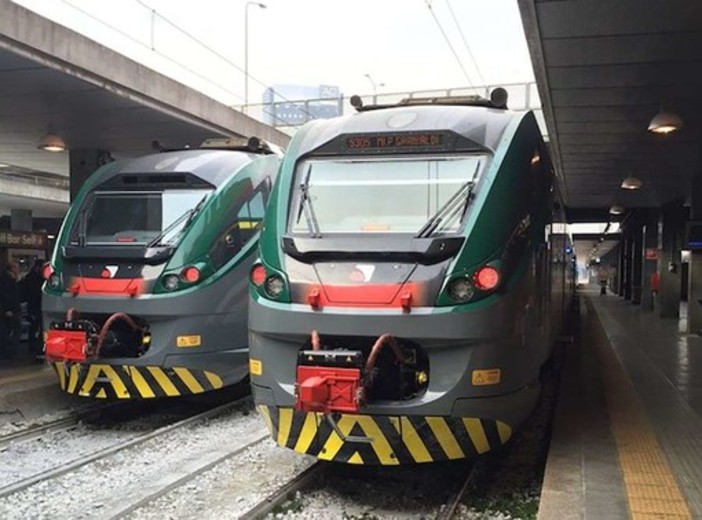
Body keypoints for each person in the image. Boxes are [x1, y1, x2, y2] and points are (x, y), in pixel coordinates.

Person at [21, 259, 44, 359]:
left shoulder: (35, 277)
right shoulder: (31, 278)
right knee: (34, 327)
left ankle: (36, 345)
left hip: (38, 306)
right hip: (35, 306)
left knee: (37, 327)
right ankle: (33, 346)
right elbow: (33, 293)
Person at [0, 261, 22, 359]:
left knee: (8, 330)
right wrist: (8, 309)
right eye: (17, 268)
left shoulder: (10, 279)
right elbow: (6, 296)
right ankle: (11, 351)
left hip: (11, 309)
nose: (18, 270)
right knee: (14, 329)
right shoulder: (7, 280)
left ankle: (9, 350)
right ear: (12, 269)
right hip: (11, 310)